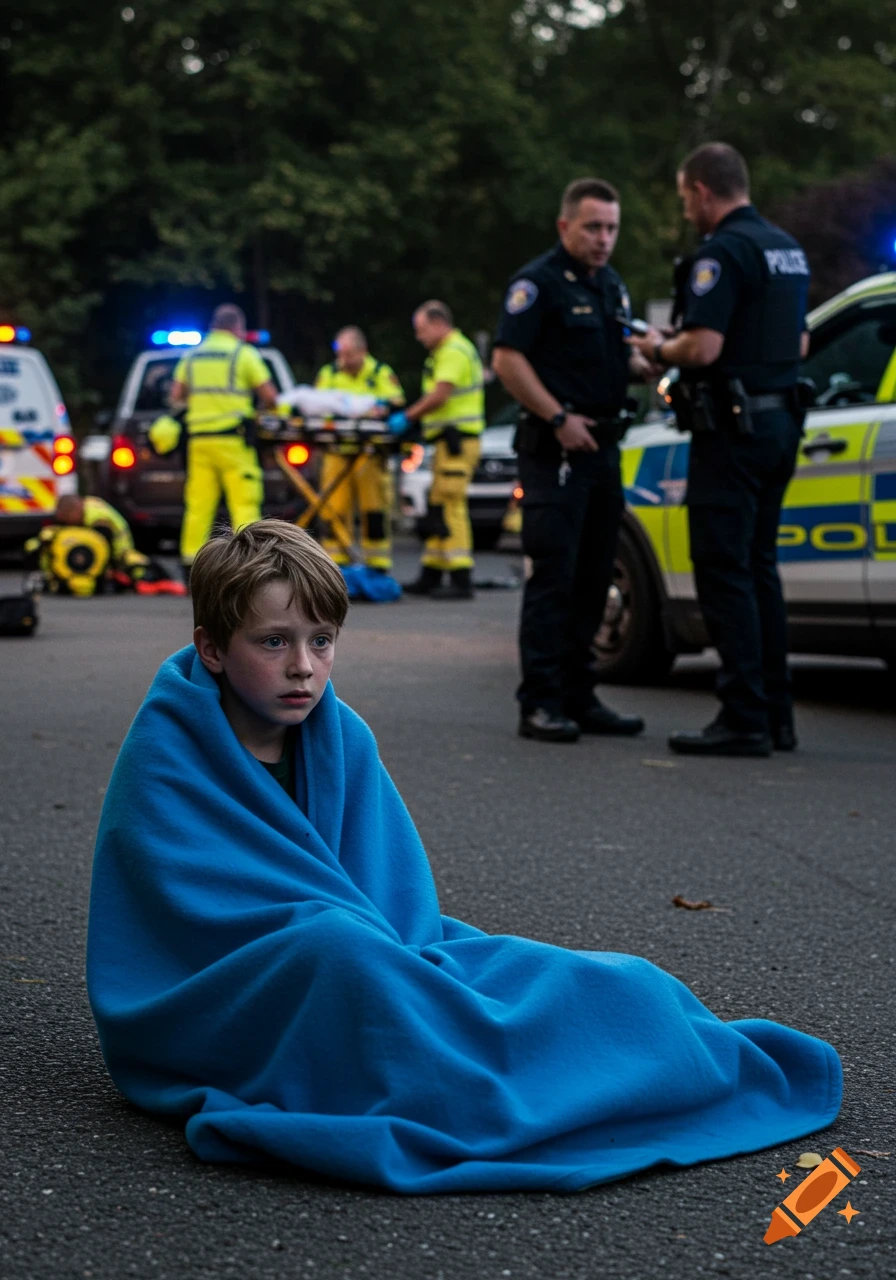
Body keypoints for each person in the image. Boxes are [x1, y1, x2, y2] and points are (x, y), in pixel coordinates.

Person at [87, 518, 841, 1193]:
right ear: (212, 650)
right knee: (338, 949)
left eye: (321, 641)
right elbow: (171, 919)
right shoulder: (168, 751)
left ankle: (641, 1053)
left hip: (365, 946)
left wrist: (397, 961)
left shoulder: (340, 734)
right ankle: (478, 1080)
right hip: (225, 983)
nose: (304, 668)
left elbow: (394, 900)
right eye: (273, 642)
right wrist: (349, 946)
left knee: (600, 983)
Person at [628, 143, 810, 757]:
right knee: (760, 570)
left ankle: (742, 718)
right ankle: (774, 714)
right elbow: (801, 341)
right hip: (780, 425)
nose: (686, 211)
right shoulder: (787, 250)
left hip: (732, 435)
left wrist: (659, 348)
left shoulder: (724, 252)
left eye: (685, 199)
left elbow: (702, 349)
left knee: (725, 572)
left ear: (703, 190)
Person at [492, 178, 653, 743]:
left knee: (593, 577)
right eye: (593, 227)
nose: (604, 238)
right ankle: (539, 701)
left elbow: (611, 357)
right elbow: (508, 359)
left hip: (603, 451)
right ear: (565, 226)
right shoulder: (538, 285)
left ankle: (580, 696)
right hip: (555, 452)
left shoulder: (611, 287)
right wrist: (559, 418)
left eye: (611, 227)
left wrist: (647, 363)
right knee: (554, 579)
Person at [169, 303, 279, 576]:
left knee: (198, 506)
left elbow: (175, 396)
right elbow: (270, 397)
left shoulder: (192, 356)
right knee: (244, 504)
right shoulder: (243, 354)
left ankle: (190, 565)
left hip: (199, 442)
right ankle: (251, 562)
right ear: (237, 328)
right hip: (233, 442)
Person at [390, 302, 485, 600]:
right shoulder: (447, 352)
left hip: (458, 442)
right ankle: (431, 573)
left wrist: (409, 416)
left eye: (421, 330)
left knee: (450, 504)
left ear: (437, 323)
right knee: (438, 504)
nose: (419, 337)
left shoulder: (454, 351)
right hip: (448, 442)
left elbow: (440, 396)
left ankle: (461, 577)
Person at [314, 326, 405, 571]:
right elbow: (317, 404)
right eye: (340, 354)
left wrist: (381, 408)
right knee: (334, 509)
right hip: (336, 451)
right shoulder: (329, 373)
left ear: (363, 351)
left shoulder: (379, 373)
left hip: (370, 453)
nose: (344, 360)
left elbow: (396, 403)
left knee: (373, 509)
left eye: (349, 355)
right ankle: (334, 565)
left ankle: (377, 565)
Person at [23, 493, 185, 596]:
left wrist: (104, 574)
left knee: (142, 577)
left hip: (121, 558)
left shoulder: (97, 519)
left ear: (74, 511)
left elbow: (101, 550)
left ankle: (167, 581)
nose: (67, 525)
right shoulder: (88, 507)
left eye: (66, 520)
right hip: (118, 556)